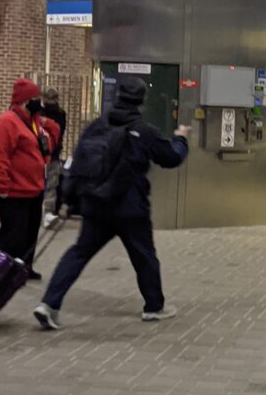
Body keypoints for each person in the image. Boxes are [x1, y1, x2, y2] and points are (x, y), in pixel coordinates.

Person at [33, 77, 190, 330]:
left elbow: (78, 162)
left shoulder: (96, 127)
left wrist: (70, 200)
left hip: (96, 205)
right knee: (144, 256)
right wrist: (180, 138)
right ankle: (154, 306)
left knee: (79, 253)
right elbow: (171, 158)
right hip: (130, 208)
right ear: (140, 100)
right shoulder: (143, 131)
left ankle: (49, 304)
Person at [0, 78, 62, 279]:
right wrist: (0, 186)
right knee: (14, 236)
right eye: (36, 98)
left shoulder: (34, 123)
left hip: (34, 189)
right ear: (25, 100)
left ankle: (24, 268)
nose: (40, 101)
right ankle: (6, 273)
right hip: (14, 192)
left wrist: (44, 121)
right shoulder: (7, 123)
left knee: (30, 235)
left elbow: (53, 132)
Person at [41, 86, 68, 226]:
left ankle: (45, 213)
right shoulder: (61, 114)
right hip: (54, 154)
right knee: (52, 185)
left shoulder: (39, 114)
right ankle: (48, 213)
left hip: (41, 154)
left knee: (43, 184)